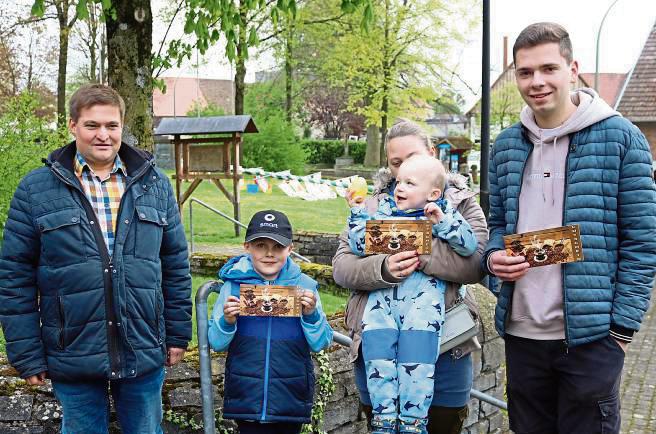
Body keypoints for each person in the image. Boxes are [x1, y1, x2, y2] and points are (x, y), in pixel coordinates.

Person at [484, 22, 656, 434]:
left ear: (572, 68)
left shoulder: (621, 137)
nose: (537, 81)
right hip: (522, 334)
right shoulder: (506, 144)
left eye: (548, 68)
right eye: (525, 72)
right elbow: (497, 225)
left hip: (592, 338)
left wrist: (620, 331)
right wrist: (493, 259)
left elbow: (643, 242)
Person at [0, 84, 192, 433]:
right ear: (73, 126)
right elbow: (14, 277)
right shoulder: (35, 189)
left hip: (143, 345)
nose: (103, 135)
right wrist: (26, 352)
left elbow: (175, 264)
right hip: (71, 348)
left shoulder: (154, 184)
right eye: (92, 125)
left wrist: (178, 332)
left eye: (111, 125)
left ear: (121, 127)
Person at [333, 119, 489, 434]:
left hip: (445, 344)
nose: (403, 169)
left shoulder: (460, 203)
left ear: (432, 154)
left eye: (413, 157)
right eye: (395, 163)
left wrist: (420, 250)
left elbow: (476, 262)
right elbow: (342, 265)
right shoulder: (373, 205)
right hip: (379, 338)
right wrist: (383, 269)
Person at [208, 210, 333, 434]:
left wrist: (311, 314)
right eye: (260, 245)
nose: (269, 253)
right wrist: (227, 321)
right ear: (247, 247)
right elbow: (216, 343)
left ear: (290, 249)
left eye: (278, 247)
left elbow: (321, 343)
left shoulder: (305, 287)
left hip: (290, 396)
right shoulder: (233, 286)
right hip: (246, 396)